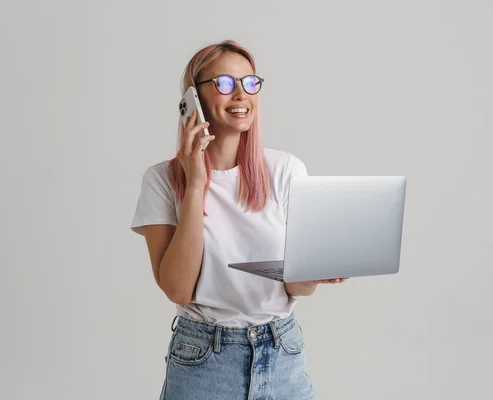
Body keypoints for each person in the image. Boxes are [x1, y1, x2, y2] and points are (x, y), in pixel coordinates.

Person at [130, 40, 347, 400]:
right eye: (225, 84)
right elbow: (177, 290)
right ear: (192, 98)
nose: (241, 95)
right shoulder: (161, 180)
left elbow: (295, 288)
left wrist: (311, 275)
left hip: (281, 352)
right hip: (203, 360)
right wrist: (196, 182)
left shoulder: (286, 170)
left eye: (249, 83)